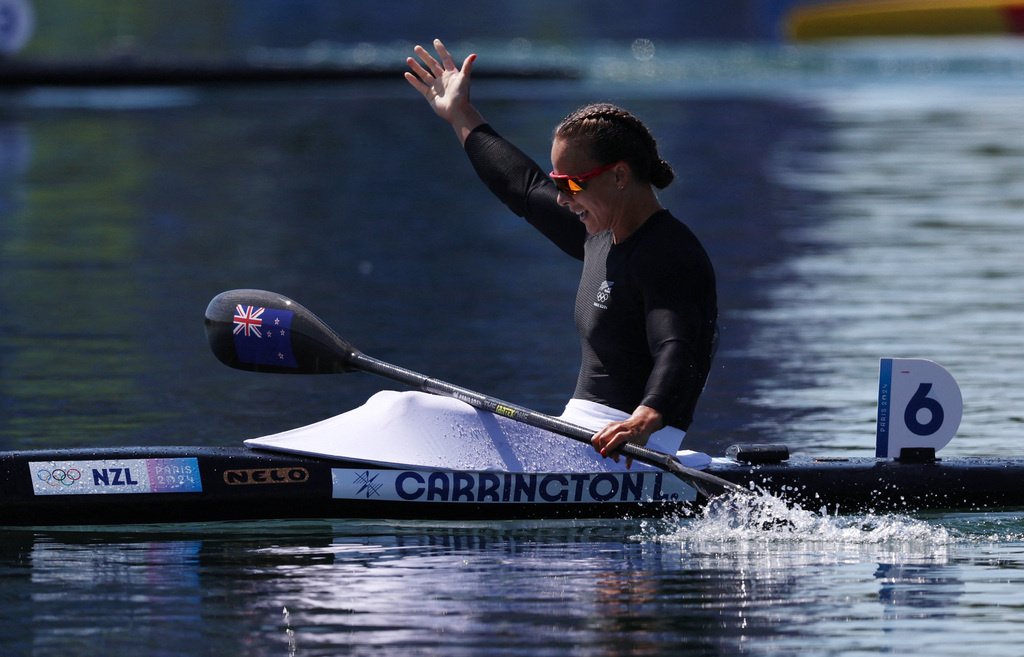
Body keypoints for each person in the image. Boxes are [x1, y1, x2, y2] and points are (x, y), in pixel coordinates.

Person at [405, 39, 718, 463]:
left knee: (416, 413)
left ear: (620, 176)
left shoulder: (670, 254)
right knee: (416, 409)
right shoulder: (600, 234)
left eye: (572, 184)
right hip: (580, 440)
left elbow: (680, 345)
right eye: (559, 182)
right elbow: (522, 186)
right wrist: (461, 113)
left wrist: (644, 420)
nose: (561, 197)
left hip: (630, 449)